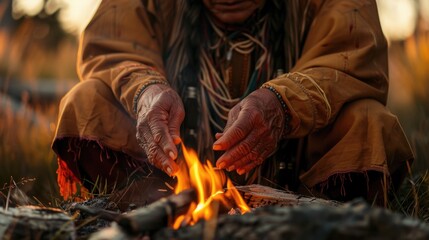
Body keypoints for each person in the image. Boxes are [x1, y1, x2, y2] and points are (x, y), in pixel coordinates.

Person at [52, 0, 414, 206]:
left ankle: (321, 215)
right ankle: (146, 204)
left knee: (369, 124)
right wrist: (146, 93)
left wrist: (283, 104)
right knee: (85, 103)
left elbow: (352, 57)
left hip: (300, 171)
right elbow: (112, 44)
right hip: (165, 176)